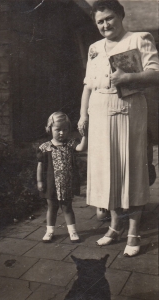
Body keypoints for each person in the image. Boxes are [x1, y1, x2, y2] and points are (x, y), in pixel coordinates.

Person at [78, 0, 159, 257]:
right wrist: (83, 115)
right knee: (106, 171)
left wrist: (128, 78)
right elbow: (88, 85)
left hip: (129, 111)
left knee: (131, 170)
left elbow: (156, 74)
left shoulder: (139, 38)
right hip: (99, 111)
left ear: (121, 16)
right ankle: (114, 227)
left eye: (109, 18)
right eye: (100, 21)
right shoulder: (94, 48)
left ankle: (133, 232)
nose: (105, 25)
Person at [37, 112, 87, 242]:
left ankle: (73, 232)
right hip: (51, 183)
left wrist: (85, 135)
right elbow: (40, 166)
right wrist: (39, 181)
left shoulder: (70, 144)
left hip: (66, 183)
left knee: (67, 208)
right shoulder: (45, 147)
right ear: (49, 129)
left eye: (65, 129)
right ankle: (49, 231)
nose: (61, 133)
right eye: (57, 129)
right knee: (52, 208)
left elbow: (81, 147)